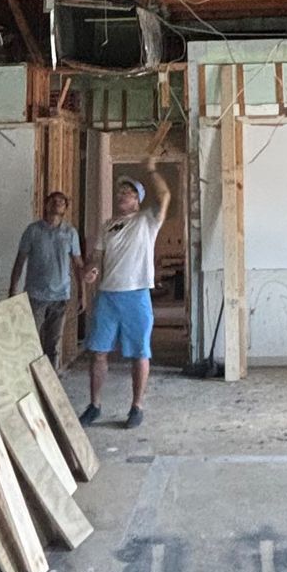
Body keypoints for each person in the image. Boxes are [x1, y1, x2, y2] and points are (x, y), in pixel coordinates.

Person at [81, 157, 170, 430]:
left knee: (140, 353)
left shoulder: (147, 221)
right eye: (120, 192)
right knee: (98, 352)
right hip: (108, 295)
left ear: (138, 201)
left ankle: (136, 407)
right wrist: (92, 270)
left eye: (129, 193)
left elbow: (165, 195)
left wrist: (152, 169)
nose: (123, 196)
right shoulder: (107, 226)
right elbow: (96, 257)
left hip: (137, 295)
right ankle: (94, 405)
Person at [8, 189, 83, 363]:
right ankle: (31, 380)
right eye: (54, 200)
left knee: (53, 344)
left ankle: (52, 383)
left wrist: (82, 294)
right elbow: (20, 261)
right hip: (36, 295)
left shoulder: (70, 233)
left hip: (60, 296)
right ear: (46, 205)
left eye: (62, 202)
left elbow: (78, 265)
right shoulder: (33, 231)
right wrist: (13, 288)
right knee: (31, 340)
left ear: (65, 209)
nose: (57, 203)